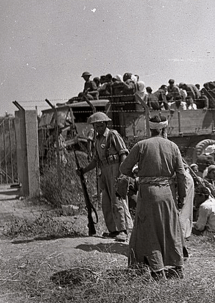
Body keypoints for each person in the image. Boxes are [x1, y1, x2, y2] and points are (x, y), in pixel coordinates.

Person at [120, 115, 187, 280]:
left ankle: (157, 271)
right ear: (164, 129)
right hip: (168, 193)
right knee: (171, 229)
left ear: (151, 129)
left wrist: (137, 177)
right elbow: (181, 175)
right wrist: (181, 197)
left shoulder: (141, 145)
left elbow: (123, 168)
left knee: (150, 230)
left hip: (148, 193)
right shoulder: (172, 146)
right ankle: (177, 268)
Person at [79, 112, 132, 242]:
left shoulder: (112, 135)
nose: (99, 128)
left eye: (101, 125)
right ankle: (113, 230)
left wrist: (122, 172)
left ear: (106, 124)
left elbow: (123, 152)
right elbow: (96, 160)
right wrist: (84, 170)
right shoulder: (97, 140)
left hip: (115, 168)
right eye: (96, 126)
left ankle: (123, 230)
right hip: (104, 170)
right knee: (106, 202)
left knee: (117, 200)